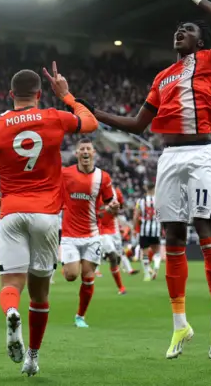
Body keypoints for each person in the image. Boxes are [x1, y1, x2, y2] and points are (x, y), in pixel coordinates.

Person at [88, 0, 211, 360]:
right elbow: (139, 124)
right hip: (169, 157)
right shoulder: (163, 76)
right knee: (172, 238)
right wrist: (95, 111)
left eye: (187, 30)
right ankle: (179, 325)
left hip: (202, 154)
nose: (179, 33)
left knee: (206, 230)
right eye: (177, 30)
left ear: (201, 40)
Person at [0, 64, 98, 376]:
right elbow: (90, 123)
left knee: (11, 283)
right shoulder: (54, 116)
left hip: (12, 213)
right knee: (40, 295)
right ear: (39, 94)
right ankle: (33, 357)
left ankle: (11, 312)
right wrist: (66, 95)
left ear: (11, 94)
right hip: (46, 215)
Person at [60, 138, 120, 328]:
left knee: (88, 278)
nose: (85, 152)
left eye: (88, 149)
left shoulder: (103, 178)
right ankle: (66, 265)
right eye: (82, 149)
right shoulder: (65, 174)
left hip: (93, 235)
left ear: (94, 153)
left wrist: (113, 209)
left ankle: (80, 317)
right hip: (70, 235)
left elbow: (110, 206)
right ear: (77, 154)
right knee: (71, 276)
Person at [98, 185, 130, 293]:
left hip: (114, 229)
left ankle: (105, 257)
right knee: (112, 256)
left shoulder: (117, 192)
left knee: (117, 256)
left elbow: (120, 207)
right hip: (102, 229)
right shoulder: (96, 192)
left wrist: (116, 209)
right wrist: (106, 209)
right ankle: (121, 287)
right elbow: (97, 211)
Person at [134, 183, 162, 281]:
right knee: (157, 253)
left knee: (145, 254)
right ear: (154, 189)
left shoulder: (141, 201)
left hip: (144, 230)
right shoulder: (159, 200)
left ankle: (147, 274)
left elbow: (136, 216)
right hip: (156, 229)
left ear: (146, 189)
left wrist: (134, 228)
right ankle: (156, 268)